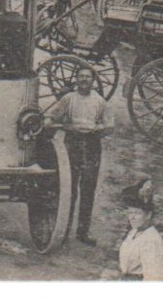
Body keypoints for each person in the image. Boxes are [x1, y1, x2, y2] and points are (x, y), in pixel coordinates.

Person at [44, 67, 114, 245]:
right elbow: (51, 118)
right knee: (68, 189)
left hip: (91, 146)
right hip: (72, 144)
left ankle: (83, 233)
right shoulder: (68, 99)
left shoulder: (100, 102)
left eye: (87, 77)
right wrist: (62, 126)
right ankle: (64, 232)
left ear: (93, 80)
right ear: (76, 80)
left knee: (88, 190)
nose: (84, 80)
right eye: (81, 77)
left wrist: (98, 129)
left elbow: (109, 126)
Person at [117, 179, 163, 280]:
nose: (132, 217)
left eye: (137, 213)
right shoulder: (134, 232)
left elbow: (154, 277)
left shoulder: (151, 239)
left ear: (148, 215)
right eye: (130, 213)